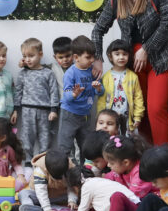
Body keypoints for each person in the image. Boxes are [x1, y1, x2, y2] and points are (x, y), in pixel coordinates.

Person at [91, 0, 168, 146]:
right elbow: (98, 29)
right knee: (141, 111)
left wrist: (146, 48)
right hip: (132, 62)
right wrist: (98, 58)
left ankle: (165, 157)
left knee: (156, 109)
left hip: (160, 58)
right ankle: (147, 156)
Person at [14, 38, 60, 167]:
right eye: (25, 56)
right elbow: (18, 92)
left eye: (31, 56)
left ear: (40, 54)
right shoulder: (22, 73)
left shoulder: (48, 73)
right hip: (27, 110)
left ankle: (43, 163)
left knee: (45, 138)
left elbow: (54, 92)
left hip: (45, 112)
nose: (28, 59)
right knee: (27, 138)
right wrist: (15, 110)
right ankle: (28, 163)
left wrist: (53, 109)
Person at [58, 35, 102, 154]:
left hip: (85, 114)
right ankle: (64, 165)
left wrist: (98, 88)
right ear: (76, 57)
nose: (92, 60)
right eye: (88, 57)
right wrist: (74, 94)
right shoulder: (70, 73)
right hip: (70, 114)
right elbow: (66, 96)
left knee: (85, 145)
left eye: (93, 56)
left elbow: (100, 91)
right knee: (65, 145)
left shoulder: (92, 70)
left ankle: (85, 166)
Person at [97, 39, 146, 134]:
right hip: (110, 119)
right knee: (110, 139)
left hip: (127, 120)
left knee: (126, 140)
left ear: (129, 56)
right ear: (110, 56)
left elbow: (138, 98)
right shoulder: (106, 77)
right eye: (117, 54)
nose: (121, 57)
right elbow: (101, 99)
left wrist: (137, 116)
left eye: (124, 54)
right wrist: (100, 116)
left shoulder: (133, 77)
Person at [19, 146, 79, 211]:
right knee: (24, 193)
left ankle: (73, 203)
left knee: (80, 192)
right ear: (47, 169)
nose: (59, 179)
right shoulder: (40, 169)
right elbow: (40, 191)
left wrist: (72, 200)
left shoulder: (70, 167)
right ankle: (30, 207)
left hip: (60, 195)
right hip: (40, 196)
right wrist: (47, 208)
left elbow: (72, 186)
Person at [102, 134, 154, 199]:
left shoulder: (140, 173)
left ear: (126, 162)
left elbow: (132, 197)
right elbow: (111, 176)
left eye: (111, 163)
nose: (108, 165)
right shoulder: (122, 168)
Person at [49, 36, 73, 150]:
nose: (65, 60)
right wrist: (24, 64)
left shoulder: (77, 67)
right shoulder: (52, 67)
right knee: (62, 133)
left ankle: (76, 157)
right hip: (59, 106)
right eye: (61, 57)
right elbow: (36, 66)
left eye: (68, 56)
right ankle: (63, 155)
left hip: (75, 105)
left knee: (74, 132)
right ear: (55, 57)